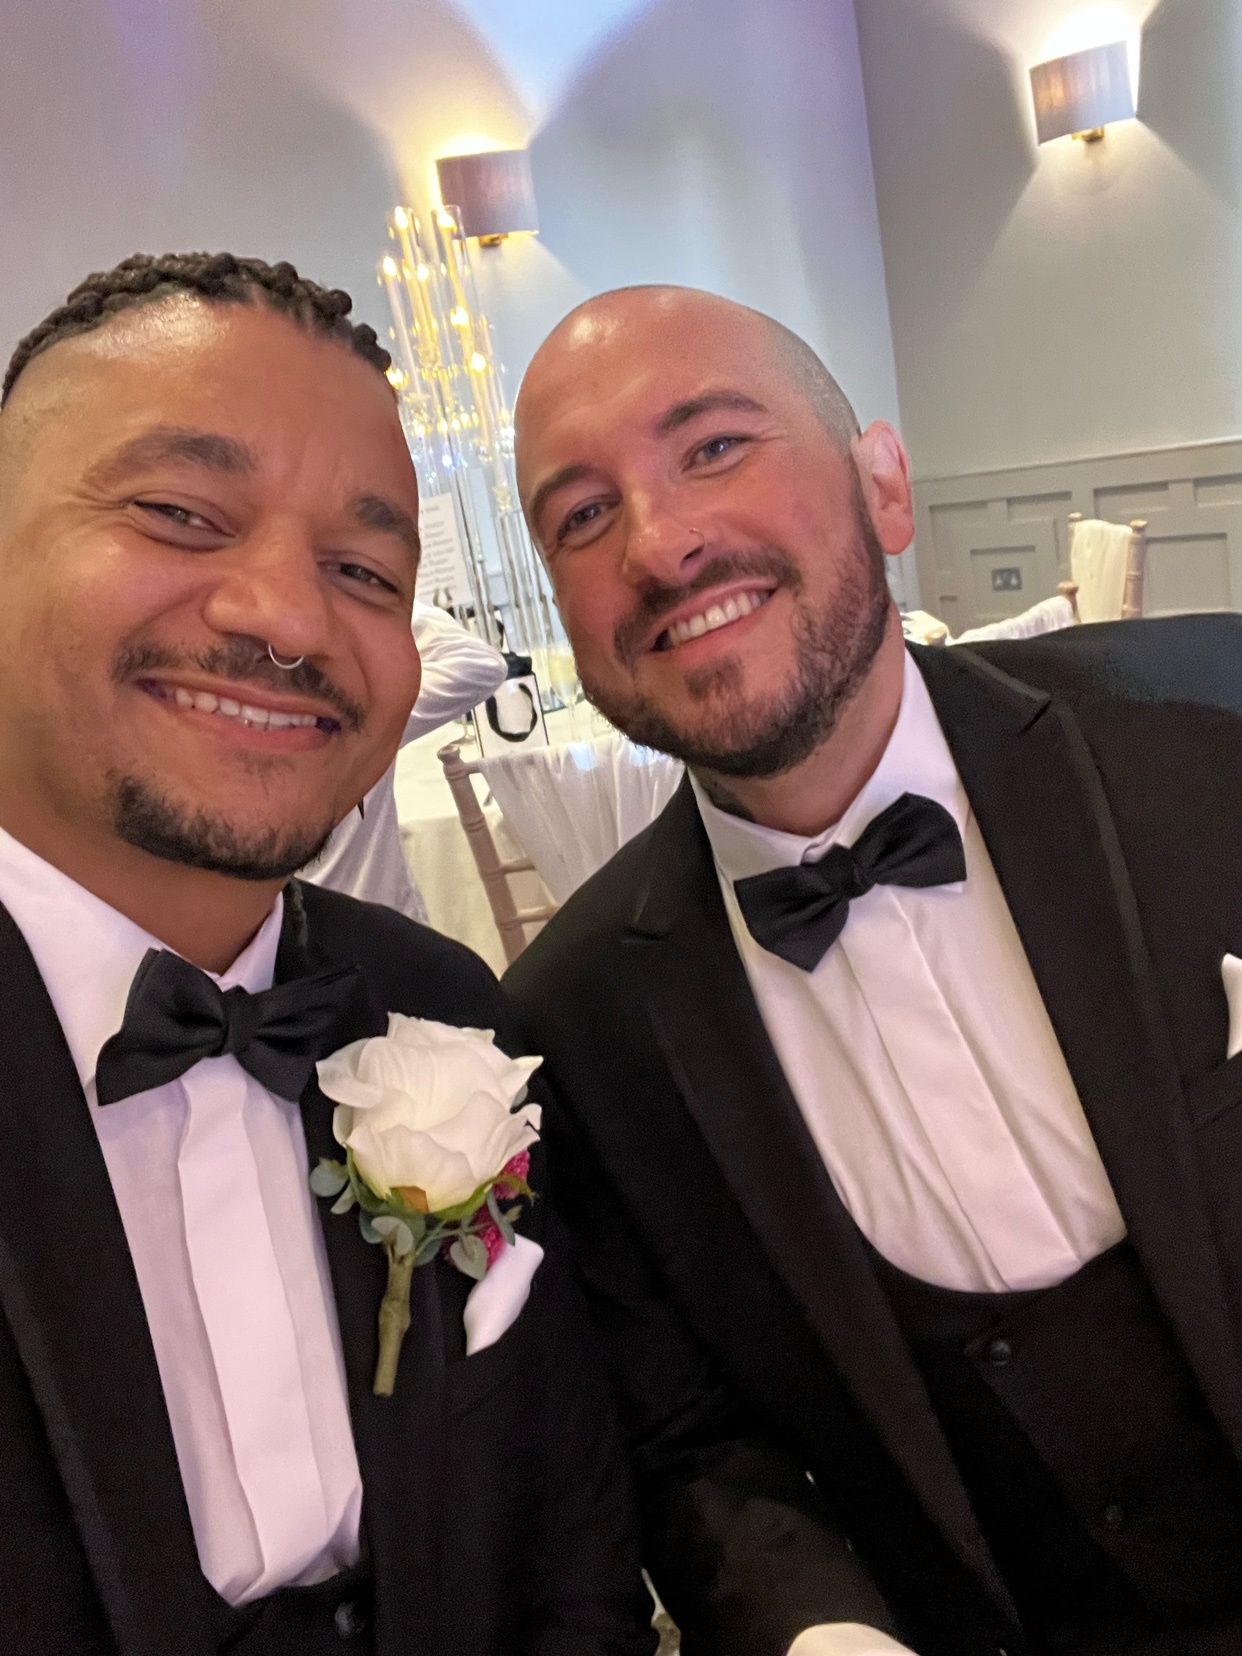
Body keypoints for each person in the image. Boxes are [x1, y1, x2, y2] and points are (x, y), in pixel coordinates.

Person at [505, 284, 1242, 1656]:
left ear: (884, 488)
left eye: (714, 446)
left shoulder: (1208, 748)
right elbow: (691, 1444)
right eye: (582, 516)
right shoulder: (576, 1018)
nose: (662, 544)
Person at [0, 251, 654, 1656]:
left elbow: (565, 1527)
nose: (289, 620)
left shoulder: (444, 1012)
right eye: (181, 514)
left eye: (363, 570)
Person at [304, 600, 506, 919]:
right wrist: (377, 597)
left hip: (371, 933)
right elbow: (479, 663)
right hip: (381, 930)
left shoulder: (364, 711)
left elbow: (480, 665)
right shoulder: (364, 716)